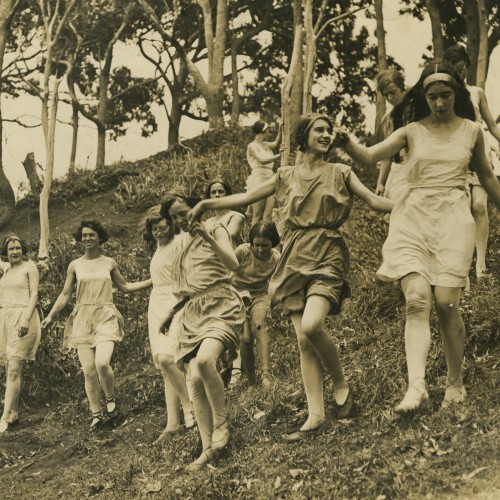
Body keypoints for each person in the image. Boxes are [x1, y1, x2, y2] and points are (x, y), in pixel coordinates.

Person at [189, 113, 393, 442]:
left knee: (312, 326)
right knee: (302, 340)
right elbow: (244, 199)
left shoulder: (341, 171)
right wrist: (206, 203)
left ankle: (341, 386)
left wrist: (414, 205)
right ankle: (315, 415)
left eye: (329, 131)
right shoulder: (285, 175)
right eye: (320, 130)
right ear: (303, 136)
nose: (327, 135)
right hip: (293, 256)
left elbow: (373, 200)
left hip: (327, 251)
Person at [333, 61, 500, 413]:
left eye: (445, 95)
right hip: (412, 217)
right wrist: (346, 141)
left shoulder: (472, 131)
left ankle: (455, 381)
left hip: (454, 218)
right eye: (432, 96)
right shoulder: (410, 130)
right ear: (423, 96)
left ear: (456, 93)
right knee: (417, 300)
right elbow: (369, 155)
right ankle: (417, 386)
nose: (439, 103)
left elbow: (486, 177)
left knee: (446, 304)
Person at [160, 193, 245, 470]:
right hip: (193, 312)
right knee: (194, 378)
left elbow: (233, 264)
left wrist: (207, 237)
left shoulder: (214, 227)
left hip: (221, 303)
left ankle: (221, 423)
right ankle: (207, 448)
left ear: (196, 207)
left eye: (183, 213)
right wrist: (171, 314)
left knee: (206, 360)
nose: (181, 221)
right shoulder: (181, 243)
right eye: (174, 218)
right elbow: (190, 287)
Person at [42, 220, 151, 430]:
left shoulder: (109, 262)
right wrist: (51, 316)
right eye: (84, 235)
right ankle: (96, 415)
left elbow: (126, 287)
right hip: (82, 318)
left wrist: (152, 281)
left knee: (102, 362)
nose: (87, 239)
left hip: (105, 315)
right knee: (89, 370)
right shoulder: (75, 265)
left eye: (91, 235)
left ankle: (111, 402)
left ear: (99, 238)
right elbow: (65, 294)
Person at [443, 44, 500, 279]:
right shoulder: (446, 95)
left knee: (479, 206)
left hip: (480, 153)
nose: (460, 75)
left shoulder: (476, 93)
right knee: (460, 210)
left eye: (462, 70)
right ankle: (461, 266)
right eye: (456, 72)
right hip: (456, 156)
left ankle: (481, 266)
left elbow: (493, 125)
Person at [141, 206, 194, 442]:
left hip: (177, 301)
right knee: (165, 366)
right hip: (156, 304)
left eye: (161, 226)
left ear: (170, 223)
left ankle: (189, 406)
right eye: (153, 228)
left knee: (170, 359)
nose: (158, 232)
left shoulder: (182, 240)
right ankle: (173, 422)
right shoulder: (157, 248)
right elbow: (156, 279)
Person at [205, 178, 245, 386]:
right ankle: (225, 363)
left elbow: (229, 236)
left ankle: (238, 367)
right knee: (214, 317)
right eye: (214, 193)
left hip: (231, 270)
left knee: (232, 318)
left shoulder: (235, 216)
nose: (218, 196)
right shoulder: (206, 223)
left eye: (221, 192)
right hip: (212, 273)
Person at [0, 236, 41, 433]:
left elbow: (34, 294)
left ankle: (4, 416)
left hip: (23, 316)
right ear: (5, 252)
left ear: (23, 249)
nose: (15, 252)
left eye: (18, 248)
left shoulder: (29, 267)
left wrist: (26, 318)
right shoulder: (6, 269)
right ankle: (14, 412)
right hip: (5, 319)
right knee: (10, 366)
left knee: (14, 368)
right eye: (11, 249)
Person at [233, 222, 280, 389]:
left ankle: (266, 374)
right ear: (251, 243)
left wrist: (273, 300)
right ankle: (252, 382)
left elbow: (277, 282)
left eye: (265, 245)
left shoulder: (276, 258)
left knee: (259, 325)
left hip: (260, 294)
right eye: (256, 245)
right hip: (237, 294)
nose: (260, 250)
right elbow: (226, 272)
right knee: (245, 339)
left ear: (272, 243)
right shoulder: (242, 252)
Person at [375, 69, 408, 202]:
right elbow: (387, 154)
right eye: (386, 94)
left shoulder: (419, 110)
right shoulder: (388, 119)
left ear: (402, 88)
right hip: (400, 172)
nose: (390, 98)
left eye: (393, 92)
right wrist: (380, 182)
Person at [246, 120, 282, 225]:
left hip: (270, 178)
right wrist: (279, 156)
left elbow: (276, 143)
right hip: (258, 179)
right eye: (268, 132)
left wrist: (281, 130)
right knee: (257, 214)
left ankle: (265, 240)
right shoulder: (252, 146)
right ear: (262, 132)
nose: (269, 134)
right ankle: (253, 241)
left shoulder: (266, 145)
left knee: (268, 215)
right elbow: (262, 160)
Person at [205, 178, 245, 247]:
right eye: (213, 192)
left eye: (221, 192)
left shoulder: (236, 217)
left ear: (227, 195)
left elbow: (226, 238)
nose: (217, 195)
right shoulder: (208, 222)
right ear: (209, 197)